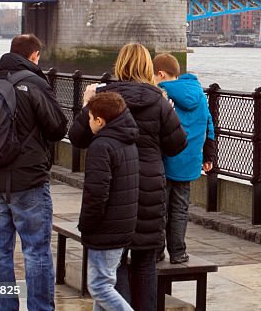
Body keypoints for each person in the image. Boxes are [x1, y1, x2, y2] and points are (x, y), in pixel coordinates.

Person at [69, 44, 187, 311]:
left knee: (116, 264)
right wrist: (169, 113)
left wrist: (87, 104)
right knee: (146, 262)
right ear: (148, 67)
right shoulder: (158, 100)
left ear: (119, 65)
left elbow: (77, 137)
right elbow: (177, 145)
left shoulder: (104, 97)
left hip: (115, 188)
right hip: (148, 188)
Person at [0, 34, 68, 311]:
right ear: (34, 55)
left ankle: (1, 307)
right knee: (36, 250)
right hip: (28, 181)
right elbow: (57, 128)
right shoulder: (35, 83)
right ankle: (39, 308)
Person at [152, 53, 217, 265]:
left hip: (165, 159)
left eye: (153, 75)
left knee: (160, 208)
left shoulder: (160, 92)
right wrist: (209, 155)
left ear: (160, 74)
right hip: (190, 162)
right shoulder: (199, 94)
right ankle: (178, 253)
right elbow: (209, 126)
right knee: (180, 209)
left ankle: (157, 251)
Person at [78, 92, 140, 311]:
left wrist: (86, 225)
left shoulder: (101, 146)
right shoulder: (127, 141)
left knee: (99, 287)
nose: (88, 121)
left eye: (90, 117)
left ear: (99, 121)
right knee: (105, 284)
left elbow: (96, 193)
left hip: (105, 227)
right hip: (123, 225)